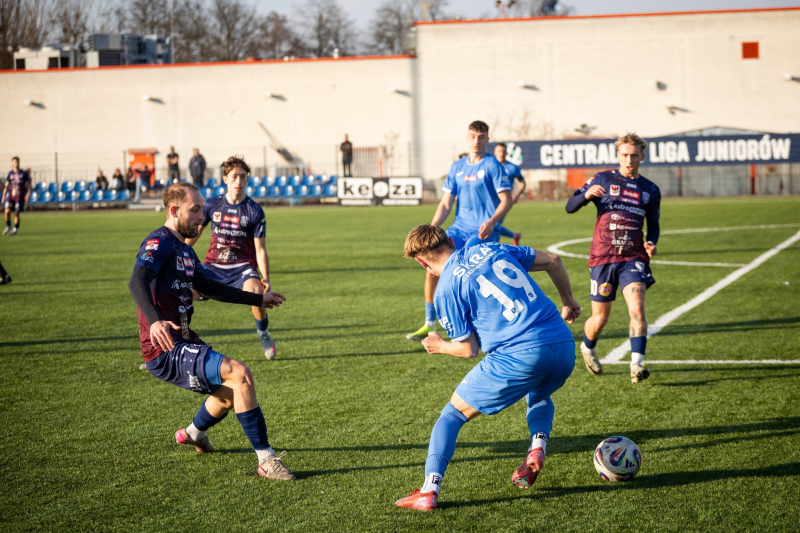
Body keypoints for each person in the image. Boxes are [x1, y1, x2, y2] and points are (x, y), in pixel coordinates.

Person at [395, 225, 580, 511]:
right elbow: (553, 261)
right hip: (563, 345)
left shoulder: (445, 289)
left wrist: (439, 345)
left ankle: (429, 491)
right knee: (540, 393)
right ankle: (537, 447)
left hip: (520, 355)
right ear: (451, 241)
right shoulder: (489, 248)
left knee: (452, 415)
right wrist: (568, 300)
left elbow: (468, 349)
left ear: (422, 262)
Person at [128, 182, 295, 481]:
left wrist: (259, 299)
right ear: (174, 210)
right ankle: (266, 460)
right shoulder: (159, 242)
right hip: (165, 348)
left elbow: (213, 288)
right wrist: (154, 321)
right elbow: (137, 281)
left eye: (202, 209)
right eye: (195, 210)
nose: (201, 216)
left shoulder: (185, 251)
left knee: (231, 393)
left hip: (184, 339)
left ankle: (194, 433)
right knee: (240, 374)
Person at [564, 133, 661, 384]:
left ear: (642, 156)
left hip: (633, 257)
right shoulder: (603, 179)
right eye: (625, 155)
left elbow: (654, 225)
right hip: (603, 257)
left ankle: (637, 364)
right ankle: (587, 347)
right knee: (600, 319)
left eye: (634, 155)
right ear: (618, 155)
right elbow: (570, 206)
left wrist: (651, 242)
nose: (629, 160)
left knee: (637, 307)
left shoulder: (650, 190)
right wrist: (585, 195)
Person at [406, 120, 513, 342]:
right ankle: (429, 323)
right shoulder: (457, 167)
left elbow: (507, 199)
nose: (476, 141)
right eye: (473, 136)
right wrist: (432, 229)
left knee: (470, 270)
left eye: (481, 137)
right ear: (467, 137)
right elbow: (446, 203)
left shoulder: (493, 166)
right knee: (431, 265)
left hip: (483, 232)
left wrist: (492, 222)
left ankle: (481, 323)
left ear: (487, 139)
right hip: (459, 229)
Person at [186, 156, 276, 360]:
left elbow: (260, 250)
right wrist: (176, 253)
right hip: (212, 267)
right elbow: (195, 234)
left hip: (243, 267)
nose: (239, 181)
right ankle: (168, 347)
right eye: (234, 176)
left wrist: (266, 278)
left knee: (256, 294)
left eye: (243, 176)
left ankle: (263, 332)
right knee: (181, 296)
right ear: (225, 179)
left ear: (248, 179)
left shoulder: (254, 210)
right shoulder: (212, 204)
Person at [493, 143, 526, 246]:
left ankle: (492, 248)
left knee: (494, 224)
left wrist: (516, 195)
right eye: (499, 151)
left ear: (507, 153)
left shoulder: (512, 168)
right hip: (489, 201)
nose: (501, 154)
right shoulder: (490, 166)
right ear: (495, 153)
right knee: (490, 224)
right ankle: (515, 236)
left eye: (503, 151)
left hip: (504, 201)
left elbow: (523, 183)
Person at [3, 157, 30, 236]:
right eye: (15, 162)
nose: (16, 163)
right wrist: (3, 195)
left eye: (17, 162)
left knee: (16, 212)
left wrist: (28, 194)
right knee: (7, 211)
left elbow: (28, 185)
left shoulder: (23, 173)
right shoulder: (10, 174)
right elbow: (6, 185)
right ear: (12, 163)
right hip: (10, 196)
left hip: (19, 196)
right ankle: (8, 226)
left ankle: (15, 230)